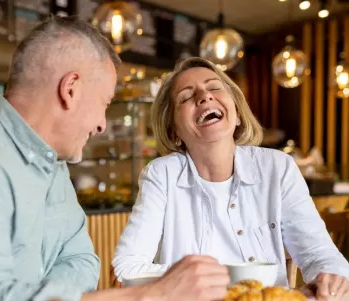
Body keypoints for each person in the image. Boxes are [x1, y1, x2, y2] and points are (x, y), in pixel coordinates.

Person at [0, 17, 230, 301]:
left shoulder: (54, 165)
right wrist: (151, 295)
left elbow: (83, 261)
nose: (101, 124)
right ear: (70, 89)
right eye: (104, 103)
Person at [112, 57, 349, 300]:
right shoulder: (161, 174)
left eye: (214, 87)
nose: (204, 97)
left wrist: (332, 279)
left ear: (236, 113)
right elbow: (126, 268)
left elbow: (319, 253)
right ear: (174, 133)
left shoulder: (277, 167)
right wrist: (194, 282)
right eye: (185, 97)